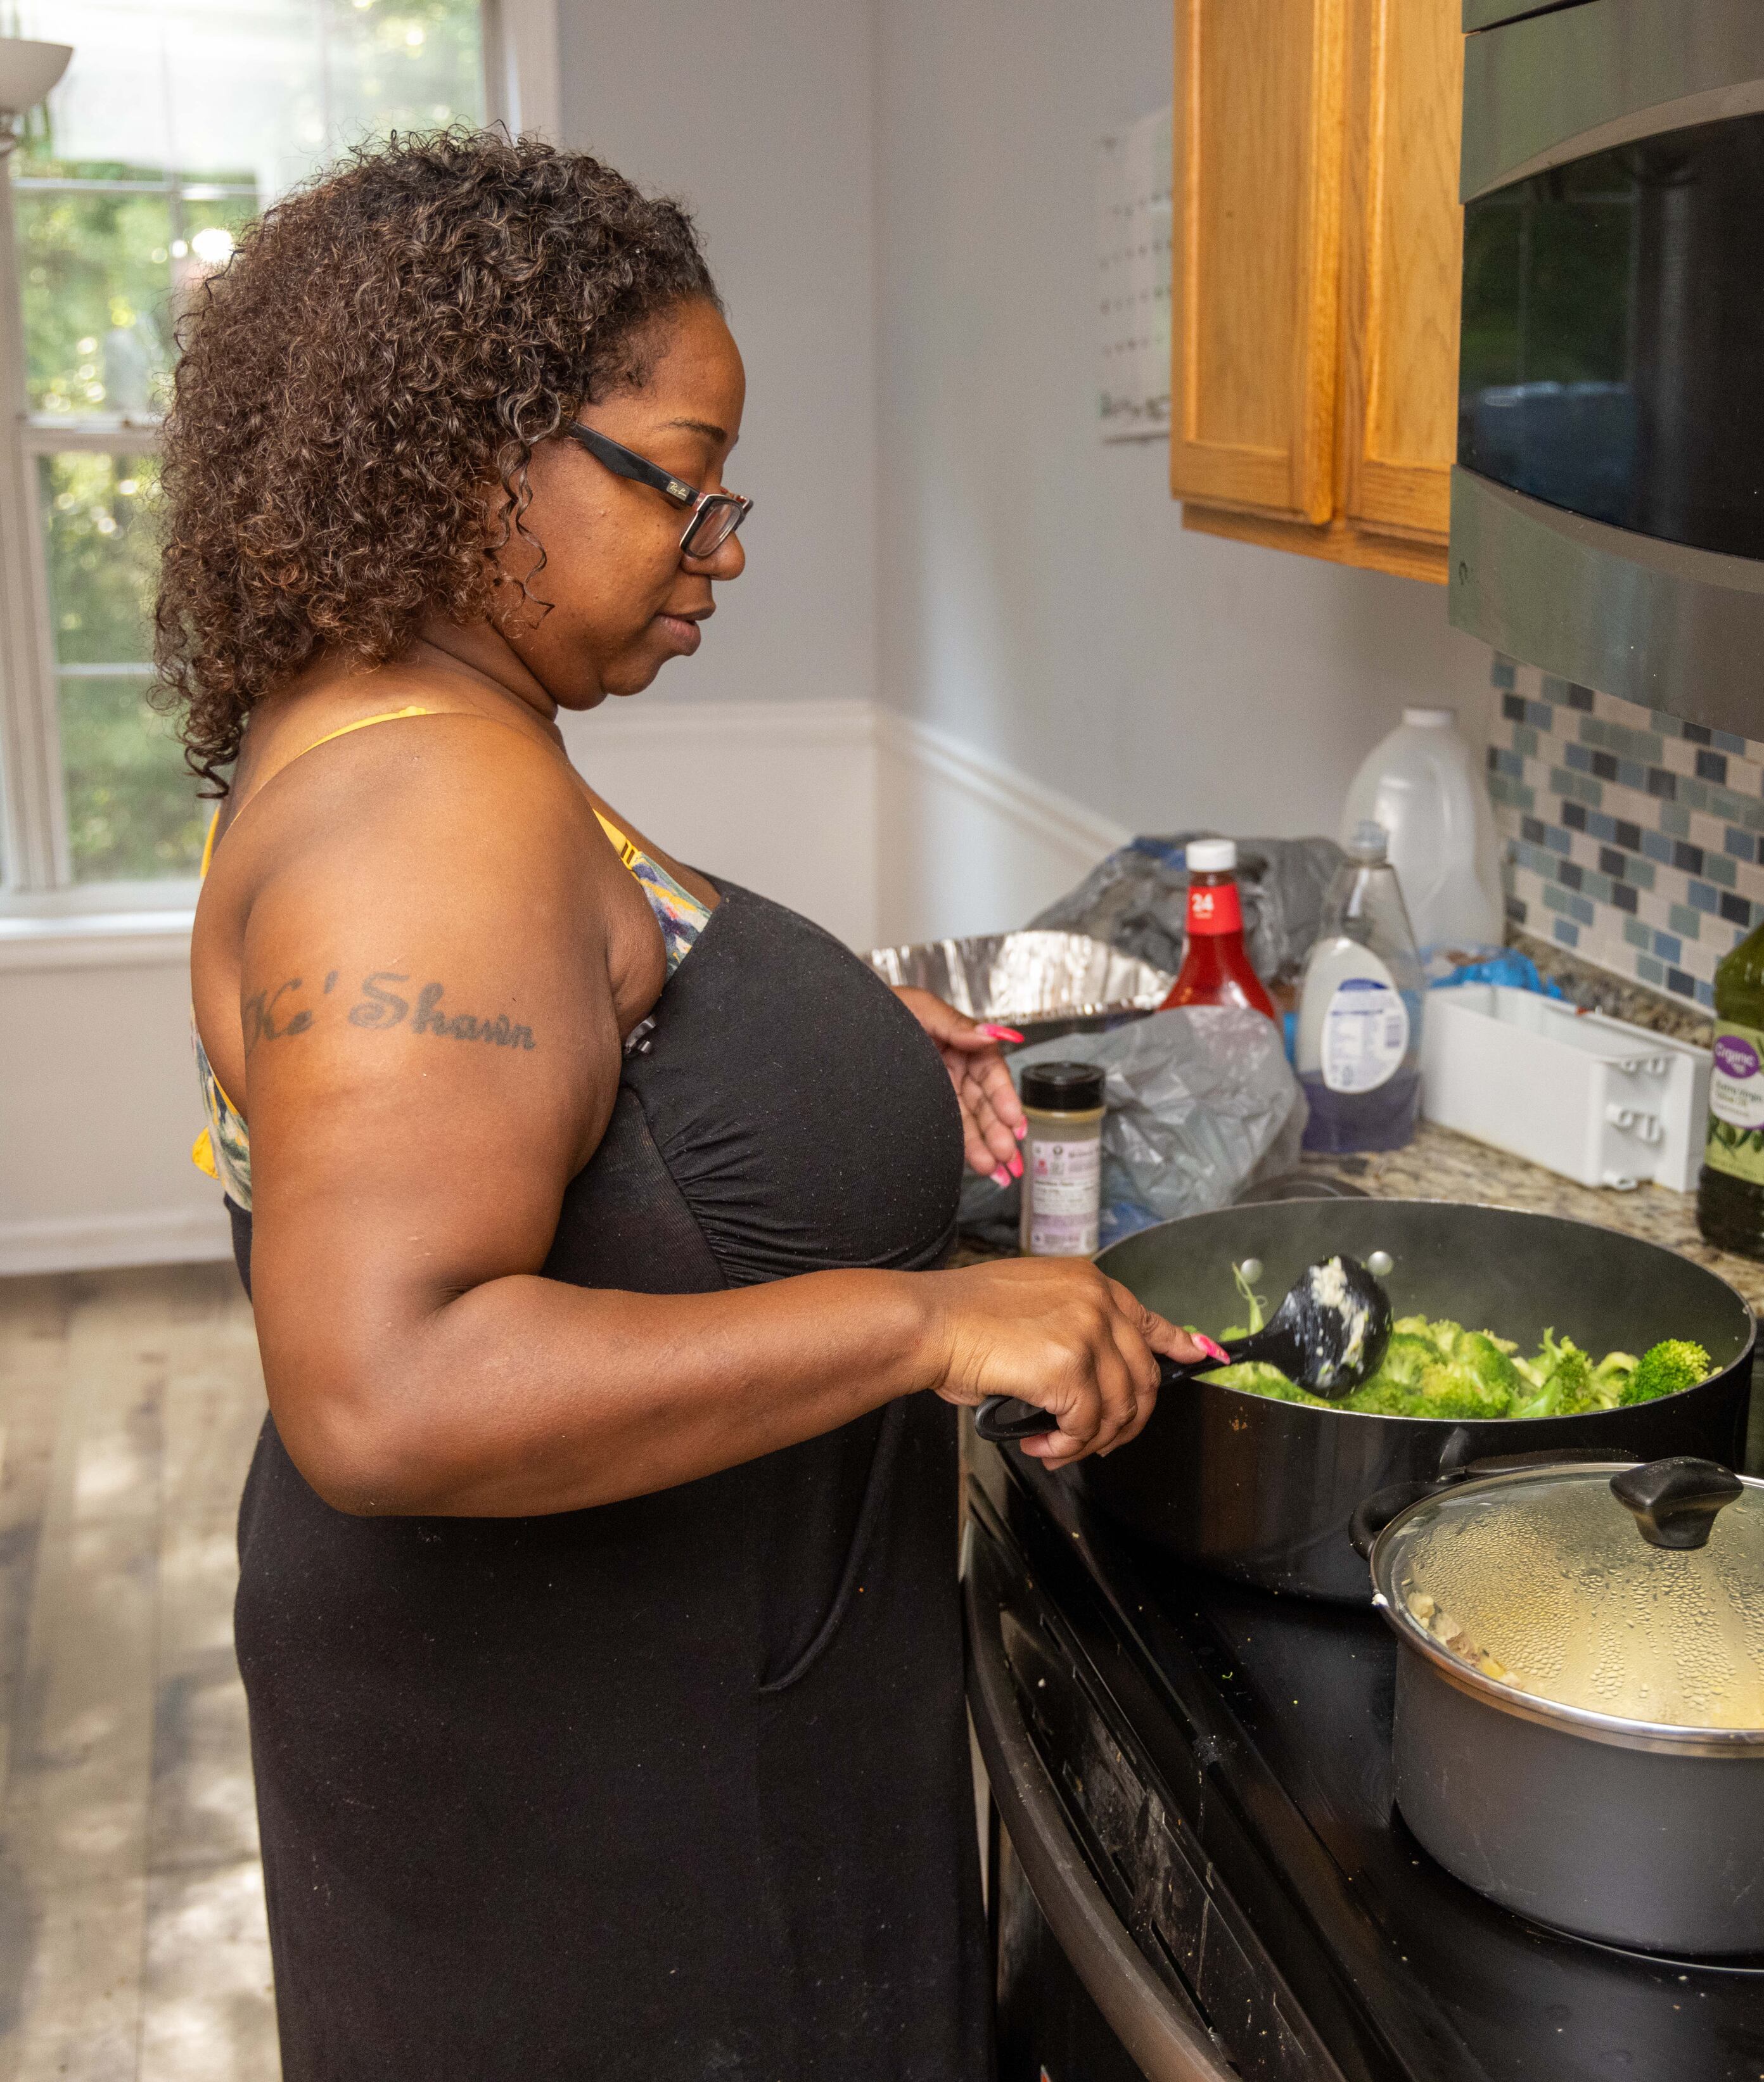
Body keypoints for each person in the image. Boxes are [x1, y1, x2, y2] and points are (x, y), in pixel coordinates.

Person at [167, 133, 1198, 2081]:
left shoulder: (421, 718)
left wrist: (845, 1043)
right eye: (681, 485)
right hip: (606, 1783)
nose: (717, 553)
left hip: (606, 1709)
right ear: (480, 453)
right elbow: (390, 1388)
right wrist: (931, 1317)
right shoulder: (431, 812)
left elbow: (584, 1062)